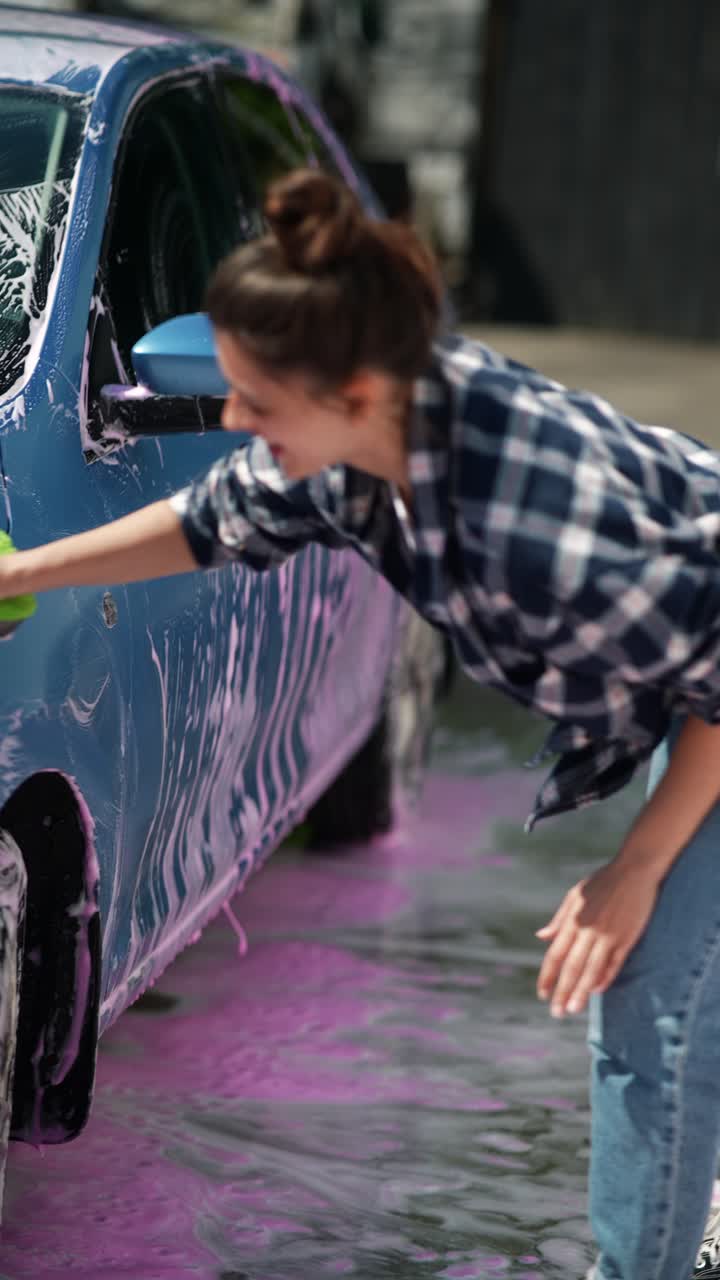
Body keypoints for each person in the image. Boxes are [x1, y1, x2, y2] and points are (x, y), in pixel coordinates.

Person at [5, 167, 720, 1279]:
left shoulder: (527, 513)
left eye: (258, 401)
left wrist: (632, 868)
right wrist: (21, 571)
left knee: (650, 1000)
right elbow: (204, 522)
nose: (234, 422)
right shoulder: (359, 449)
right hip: (681, 655)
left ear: (353, 391)